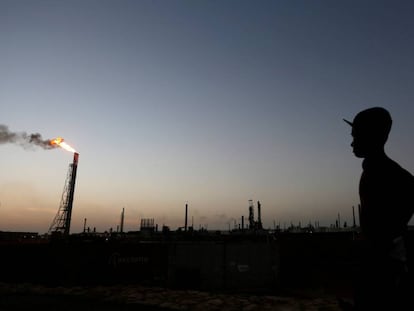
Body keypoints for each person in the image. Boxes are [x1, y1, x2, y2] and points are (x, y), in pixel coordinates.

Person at [343, 107, 414, 310]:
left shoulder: (378, 176)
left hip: (381, 270)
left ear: (371, 137)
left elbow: (379, 235)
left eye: (356, 136)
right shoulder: (400, 176)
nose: (352, 142)